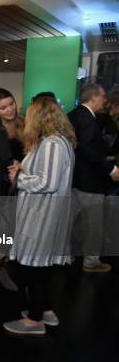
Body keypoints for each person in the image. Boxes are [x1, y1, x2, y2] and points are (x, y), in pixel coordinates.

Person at [3, 97, 76, 335]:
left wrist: (19, 178)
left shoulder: (52, 144)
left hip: (42, 215)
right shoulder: (56, 142)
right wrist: (24, 169)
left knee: (33, 267)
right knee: (41, 267)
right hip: (45, 213)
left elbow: (48, 182)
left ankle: (35, 320)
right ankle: (45, 310)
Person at [68, 83, 119, 273]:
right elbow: (89, 150)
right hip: (90, 180)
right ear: (93, 98)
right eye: (103, 96)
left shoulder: (74, 114)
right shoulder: (88, 118)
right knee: (94, 223)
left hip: (77, 179)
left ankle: (67, 255)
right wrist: (111, 169)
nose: (105, 100)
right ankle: (91, 262)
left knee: (74, 222)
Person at [0, 88, 25, 291]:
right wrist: (14, 165)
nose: (10, 109)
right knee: (3, 231)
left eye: (11, 104)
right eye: (3, 107)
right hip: (2, 188)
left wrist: (24, 164)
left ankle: (1, 267)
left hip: (23, 184)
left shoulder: (23, 123)